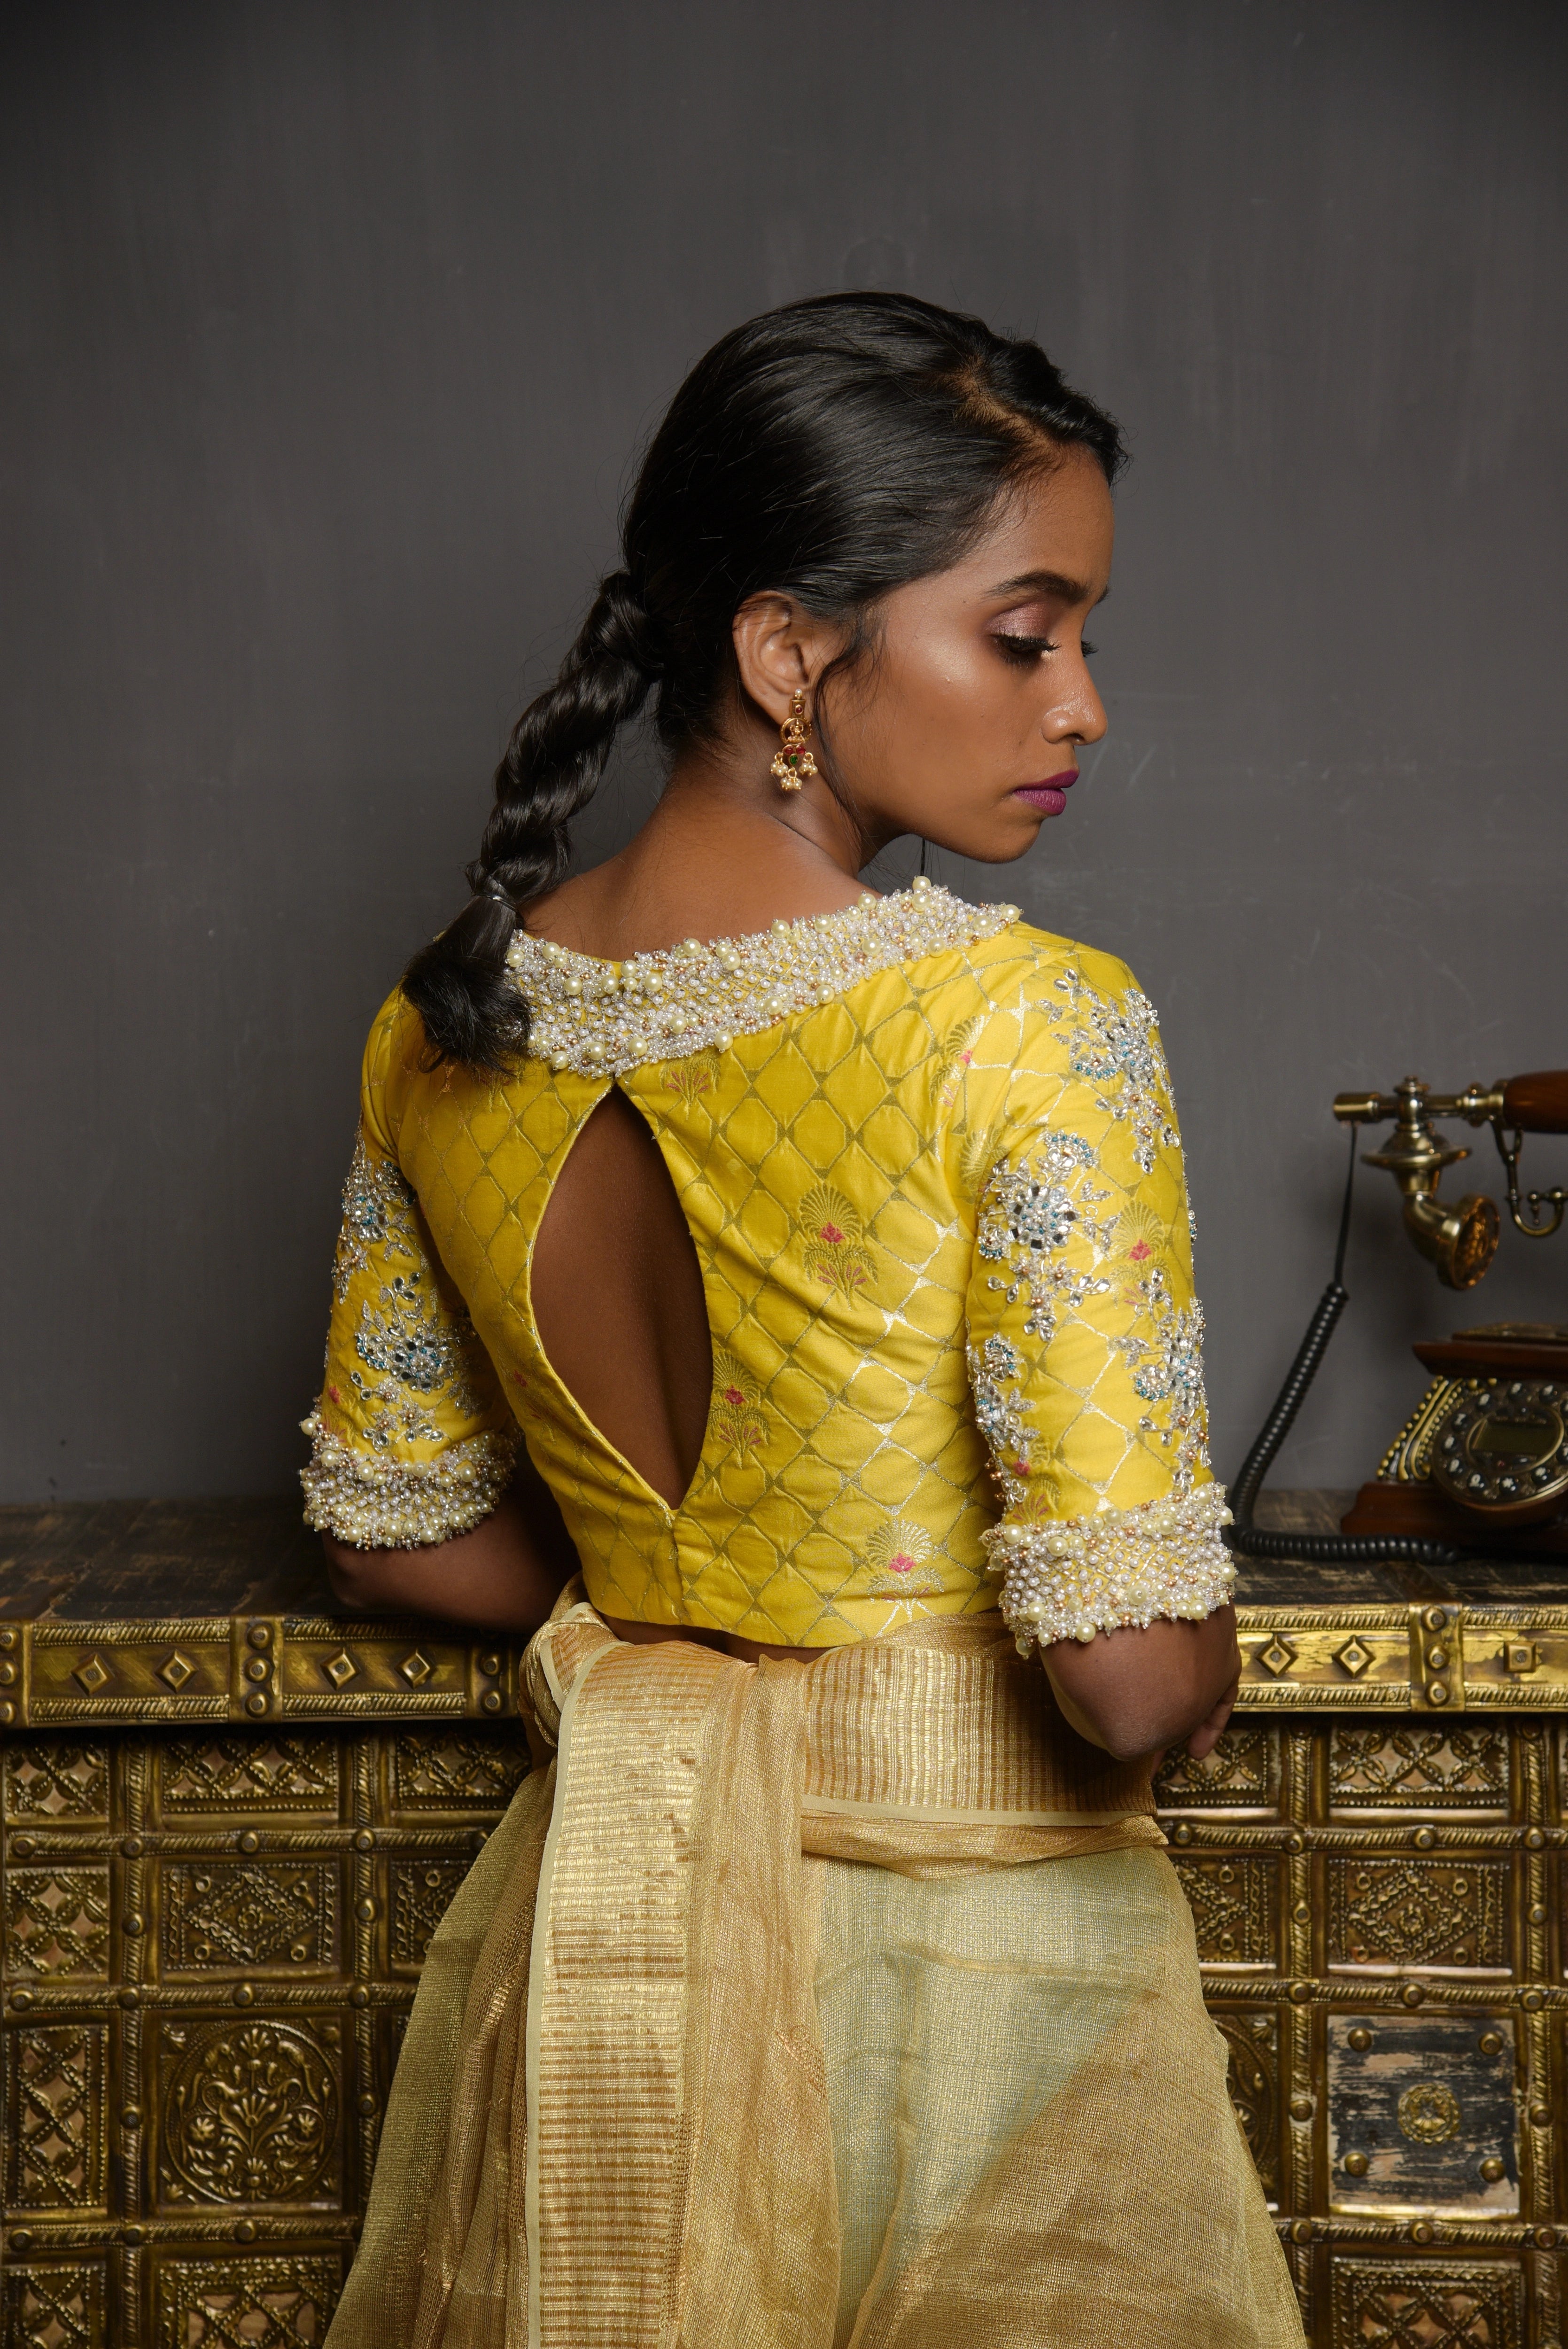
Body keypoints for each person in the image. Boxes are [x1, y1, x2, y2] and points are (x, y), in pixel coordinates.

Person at [310, 292, 1304, 2348]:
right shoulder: (1024, 1025)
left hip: (612, 1944)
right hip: (971, 1977)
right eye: (1024, 634)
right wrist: (1179, 1655)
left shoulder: (446, 1021)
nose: (1082, 702)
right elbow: (1121, 1675)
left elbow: (393, 1529)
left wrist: (697, 1640)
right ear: (785, 652)